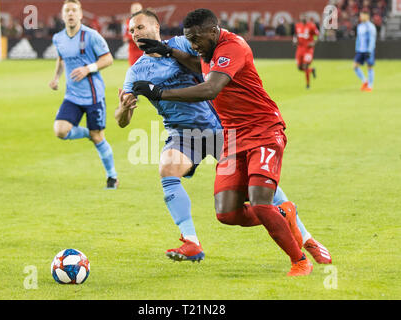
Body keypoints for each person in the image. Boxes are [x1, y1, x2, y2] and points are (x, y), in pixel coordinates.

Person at [129, 9, 331, 273]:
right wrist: (169, 54)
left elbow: (210, 87)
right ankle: (283, 214)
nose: (192, 46)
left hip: (260, 129)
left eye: (196, 40)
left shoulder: (232, 46)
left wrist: (160, 92)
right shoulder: (203, 49)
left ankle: (301, 252)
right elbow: (199, 66)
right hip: (230, 135)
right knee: (227, 213)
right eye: (189, 40)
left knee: (261, 196)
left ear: (212, 32)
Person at [49, 0, 118, 189]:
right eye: (67, 10)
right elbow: (61, 57)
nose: (70, 13)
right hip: (71, 95)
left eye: (74, 10)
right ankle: (90, 133)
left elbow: (108, 58)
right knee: (60, 131)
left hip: (93, 96)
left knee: (99, 138)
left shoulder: (91, 36)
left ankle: (112, 177)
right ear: (63, 16)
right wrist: (56, 78)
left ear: (80, 15)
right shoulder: (58, 38)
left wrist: (89, 68)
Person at [293, 14, 319, 89]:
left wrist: (314, 42)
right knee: (299, 68)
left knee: (305, 66)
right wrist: (294, 40)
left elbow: (317, 35)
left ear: (307, 18)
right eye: (302, 17)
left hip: (308, 49)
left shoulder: (312, 26)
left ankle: (308, 85)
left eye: (304, 17)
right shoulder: (298, 26)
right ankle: (312, 70)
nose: (303, 18)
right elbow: (295, 35)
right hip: (300, 49)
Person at [353, 11, 377, 92]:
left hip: (368, 50)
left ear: (367, 16)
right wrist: (357, 48)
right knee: (355, 66)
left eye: (362, 15)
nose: (361, 17)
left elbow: (372, 39)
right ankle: (364, 81)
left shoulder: (370, 26)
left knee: (369, 66)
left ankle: (370, 86)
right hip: (360, 50)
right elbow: (358, 39)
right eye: (360, 15)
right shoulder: (359, 26)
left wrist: (369, 50)